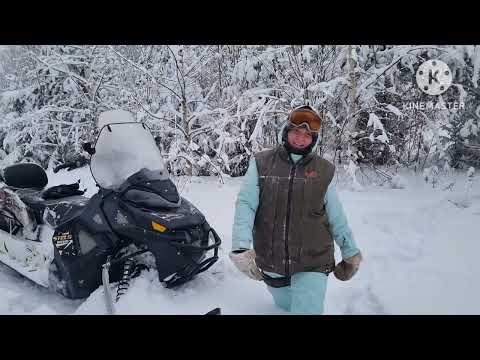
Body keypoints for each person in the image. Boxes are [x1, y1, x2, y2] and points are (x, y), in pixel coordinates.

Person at [229, 105, 362, 315]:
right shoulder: (261, 164)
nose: (300, 139)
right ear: (286, 131)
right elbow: (246, 204)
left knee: (306, 309)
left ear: (314, 139)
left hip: (313, 259)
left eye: (307, 135)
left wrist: (350, 252)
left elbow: (336, 215)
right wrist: (240, 248)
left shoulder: (323, 170)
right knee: (286, 306)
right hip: (271, 258)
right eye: (296, 132)